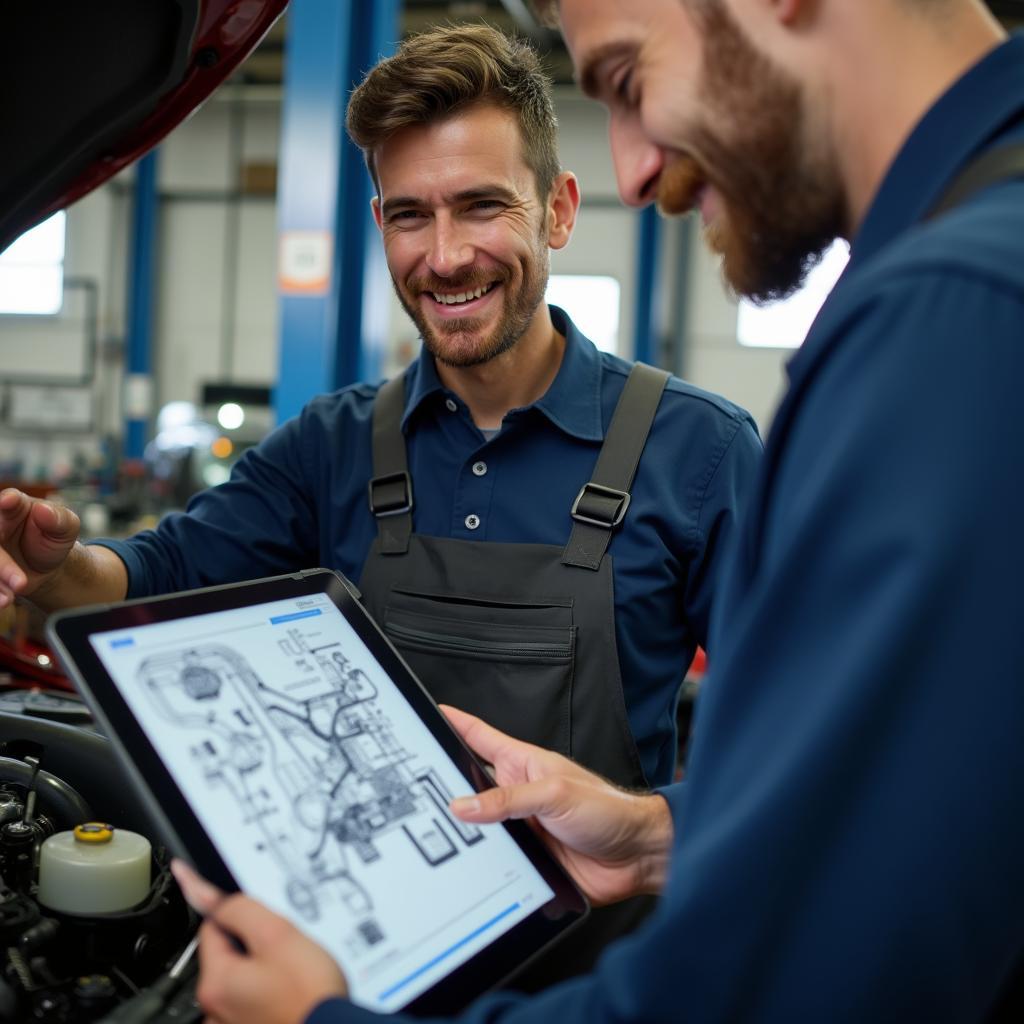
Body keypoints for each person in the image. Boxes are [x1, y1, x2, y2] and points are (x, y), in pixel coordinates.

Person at [173, 0, 1024, 1021]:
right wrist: (651, 827)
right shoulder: (977, 280)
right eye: (409, 214)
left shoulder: (957, 318)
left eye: (626, 81)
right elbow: (894, 825)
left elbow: (779, 988)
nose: (636, 174)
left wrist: (321, 1020)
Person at [0, 24, 760, 985]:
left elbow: (813, 731)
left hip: (592, 988)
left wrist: (662, 831)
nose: (444, 258)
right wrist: (53, 562)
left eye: (482, 206)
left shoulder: (699, 451)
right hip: (360, 976)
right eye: (410, 216)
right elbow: (152, 578)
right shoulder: (332, 444)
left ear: (559, 212)